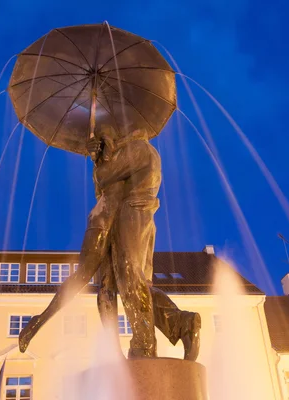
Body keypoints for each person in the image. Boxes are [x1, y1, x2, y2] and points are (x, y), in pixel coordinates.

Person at [19, 128, 200, 359]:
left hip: (128, 218)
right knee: (137, 286)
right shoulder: (143, 154)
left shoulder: (136, 151)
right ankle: (181, 324)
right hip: (141, 221)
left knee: (127, 281)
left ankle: (143, 346)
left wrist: (99, 160)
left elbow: (104, 180)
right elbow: (105, 187)